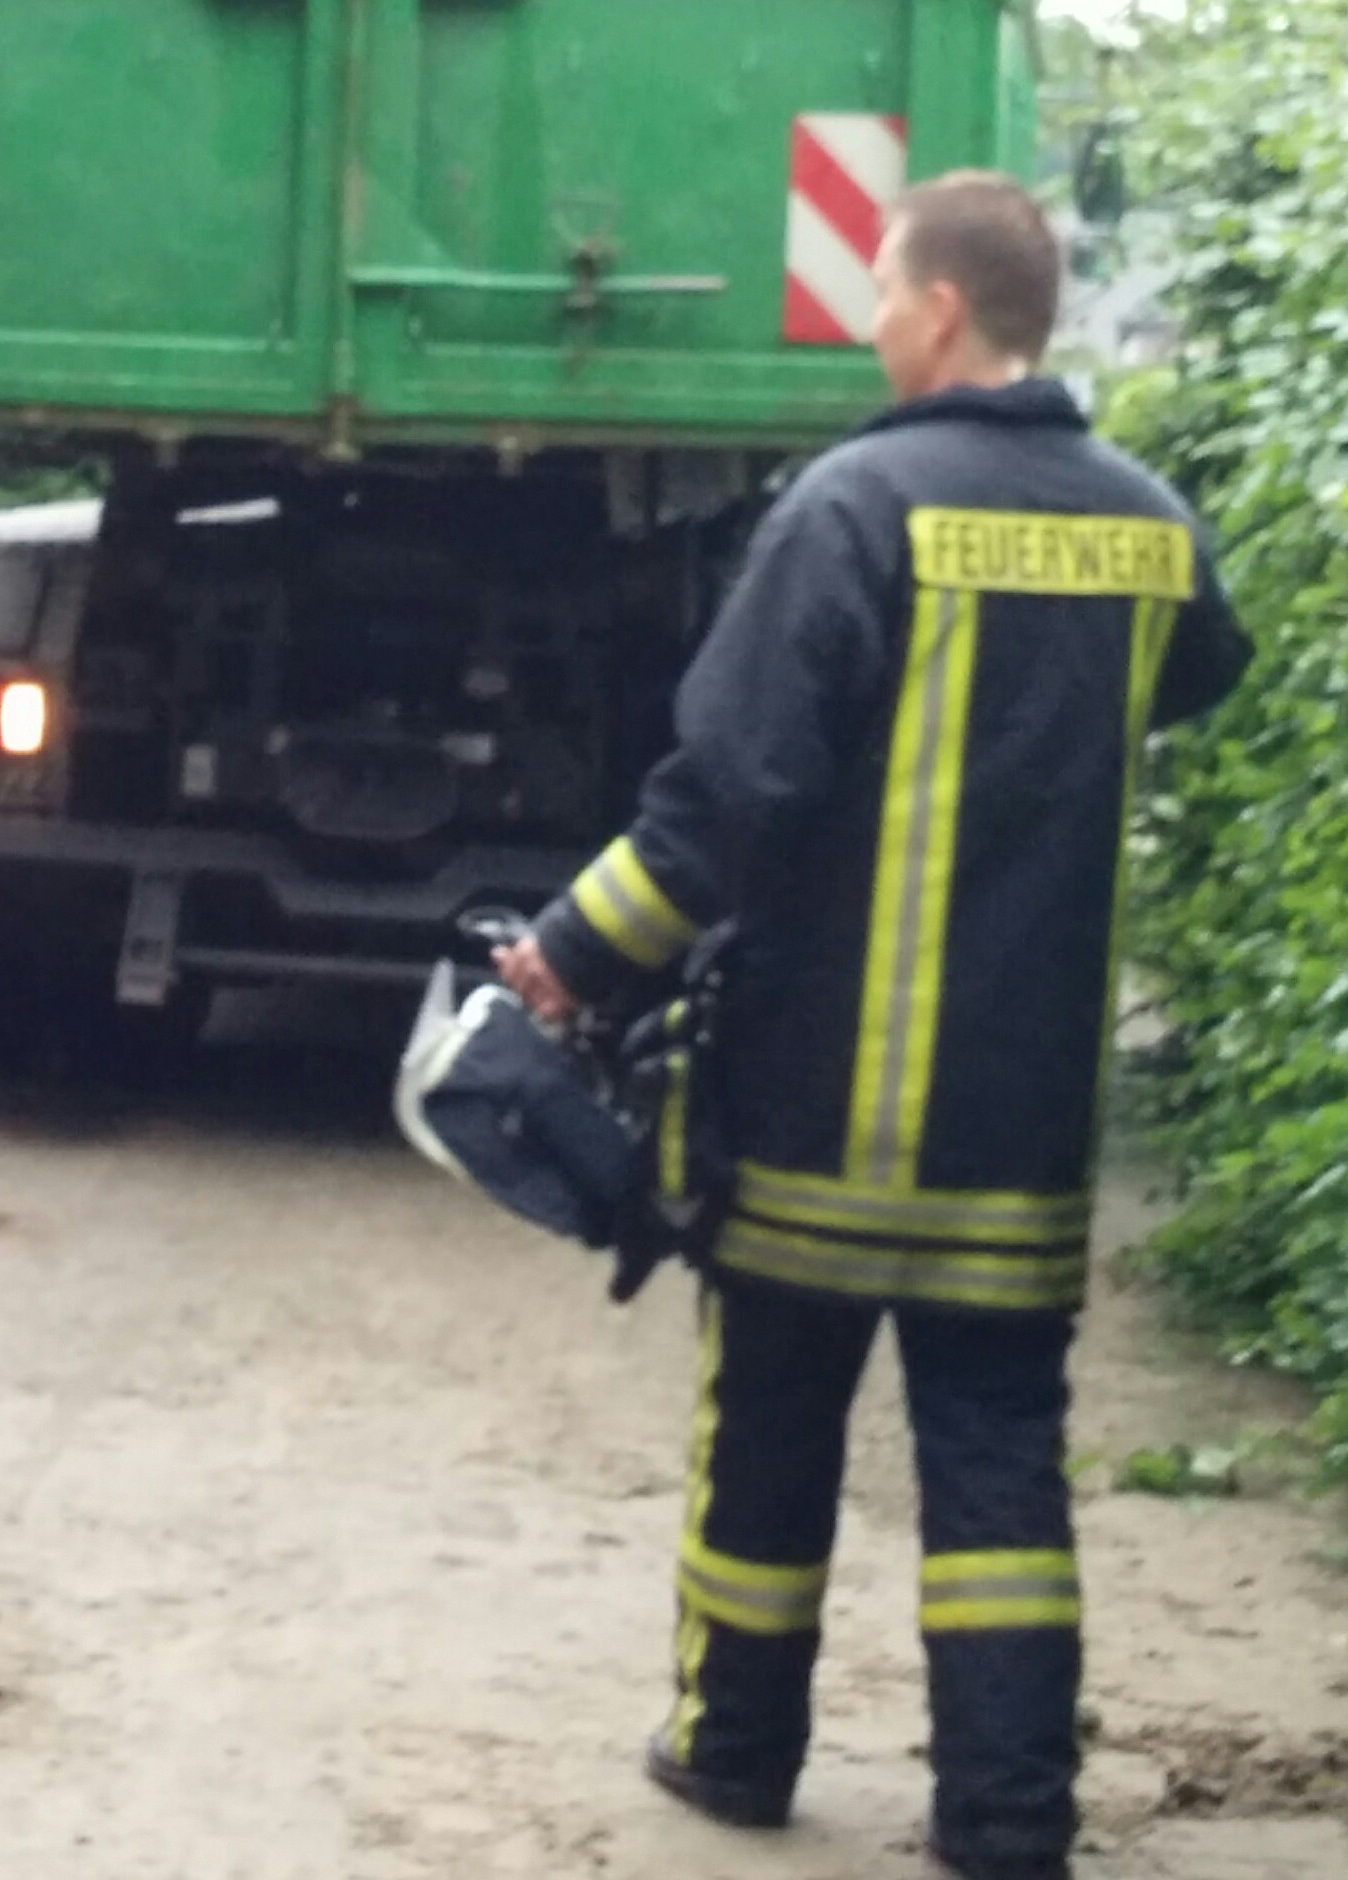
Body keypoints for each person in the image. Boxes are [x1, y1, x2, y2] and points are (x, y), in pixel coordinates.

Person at [493, 173, 1251, 1880]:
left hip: (818, 1104)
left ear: (932, 311)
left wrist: (566, 960)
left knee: (768, 1425)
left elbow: (724, 799)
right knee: (996, 1467)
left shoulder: (851, 507)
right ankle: (1002, 1820)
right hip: (1019, 1125)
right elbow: (1204, 666)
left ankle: (736, 1748)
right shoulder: (1147, 525)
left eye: (875, 292)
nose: (864, 321)